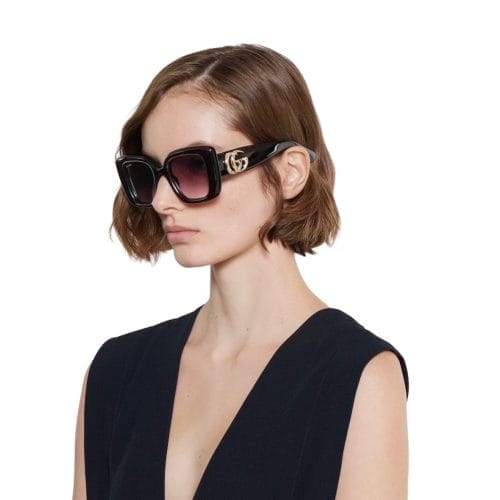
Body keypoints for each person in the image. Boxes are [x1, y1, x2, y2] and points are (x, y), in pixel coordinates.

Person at [73, 43, 410, 500]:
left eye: (194, 168)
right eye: (150, 173)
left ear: (290, 172)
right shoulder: (116, 372)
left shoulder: (358, 376)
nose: (162, 201)